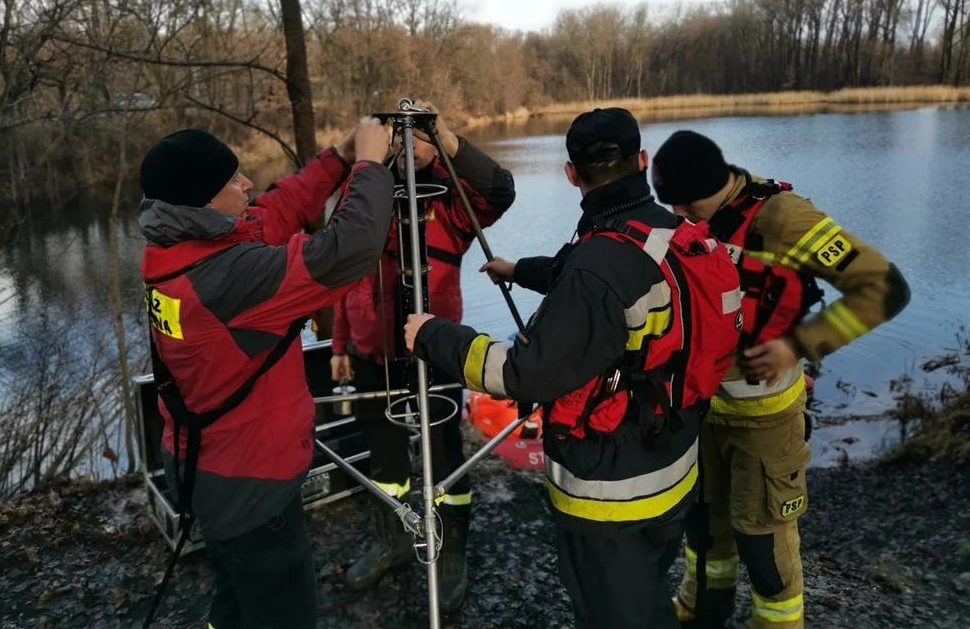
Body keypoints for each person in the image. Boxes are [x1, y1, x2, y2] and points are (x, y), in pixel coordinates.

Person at [403, 108, 745, 629]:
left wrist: (433, 336)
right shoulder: (665, 233)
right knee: (650, 599)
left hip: (612, 496)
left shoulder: (596, 267)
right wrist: (519, 270)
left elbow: (523, 374)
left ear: (570, 174)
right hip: (675, 468)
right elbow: (596, 284)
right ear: (643, 161)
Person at [138, 119, 395, 629]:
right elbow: (351, 249)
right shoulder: (228, 279)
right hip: (250, 486)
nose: (248, 184)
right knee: (283, 612)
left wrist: (339, 157)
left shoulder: (174, 248)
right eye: (234, 180)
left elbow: (275, 209)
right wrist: (369, 165)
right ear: (204, 203)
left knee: (237, 596)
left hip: (204, 466)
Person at [650, 129, 912, 629]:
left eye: (688, 206)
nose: (681, 218)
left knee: (763, 543)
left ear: (717, 184)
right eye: (673, 207)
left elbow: (884, 286)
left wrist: (799, 345)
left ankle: (777, 623)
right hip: (701, 415)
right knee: (704, 533)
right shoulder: (687, 217)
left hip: (765, 421)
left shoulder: (785, 218)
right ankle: (702, 611)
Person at [329, 101, 516, 612]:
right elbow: (340, 269)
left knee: (445, 457)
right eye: (394, 134)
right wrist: (340, 343)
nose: (403, 144)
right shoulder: (361, 190)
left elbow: (500, 191)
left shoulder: (449, 199)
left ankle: (449, 548)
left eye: (412, 135)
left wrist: (445, 140)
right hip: (374, 352)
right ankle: (393, 540)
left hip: (435, 349)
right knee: (384, 458)